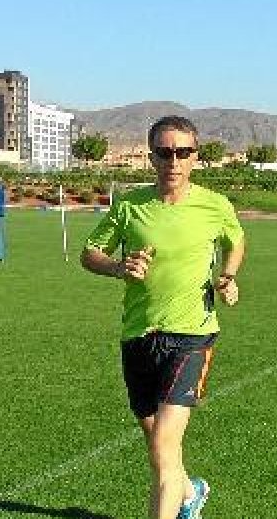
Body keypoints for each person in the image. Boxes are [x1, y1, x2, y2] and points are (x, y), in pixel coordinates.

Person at [80, 115, 245, 519]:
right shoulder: (129, 206)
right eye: (165, 152)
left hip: (192, 336)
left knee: (162, 448)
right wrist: (118, 267)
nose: (174, 161)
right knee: (158, 444)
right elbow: (90, 253)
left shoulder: (215, 206)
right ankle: (192, 492)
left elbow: (236, 241)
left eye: (183, 152)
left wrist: (228, 276)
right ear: (151, 156)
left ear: (196, 157)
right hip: (139, 334)